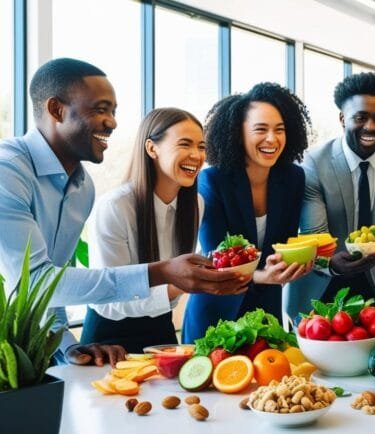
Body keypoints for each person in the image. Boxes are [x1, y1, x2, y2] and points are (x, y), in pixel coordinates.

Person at [0, 58, 246, 366]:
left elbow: (53, 290)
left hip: (34, 351)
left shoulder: (82, 187)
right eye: (100, 109)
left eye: (113, 111)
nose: (113, 122)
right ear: (56, 110)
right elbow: (35, 282)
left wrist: (64, 346)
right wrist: (164, 272)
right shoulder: (7, 171)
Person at [285, 72, 375, 320]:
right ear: (343, 119)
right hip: (319, 292)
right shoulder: (314, 162)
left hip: (369, 289)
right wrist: (331, 264)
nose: (371, 127)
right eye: (360, 117)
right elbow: (314, 236)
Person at [182, 83, 313, 342]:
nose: (272, 139)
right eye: (260, 129)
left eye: (280, 130)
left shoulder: (293, 178)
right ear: (237, 133)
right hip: (216, 313)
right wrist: (264, 276)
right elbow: (217, 259)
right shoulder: (212, 181)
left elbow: (283, 246)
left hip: (266, 314)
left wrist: (292, 264)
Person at [79, 108, 206, 353]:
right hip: (108, 340)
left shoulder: (196, 204)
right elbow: (107, 299)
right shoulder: (115, 207)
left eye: (201, 146)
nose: (196, 155)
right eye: (185, 144)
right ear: (151, 148)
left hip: (161, 328)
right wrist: (182, 283)